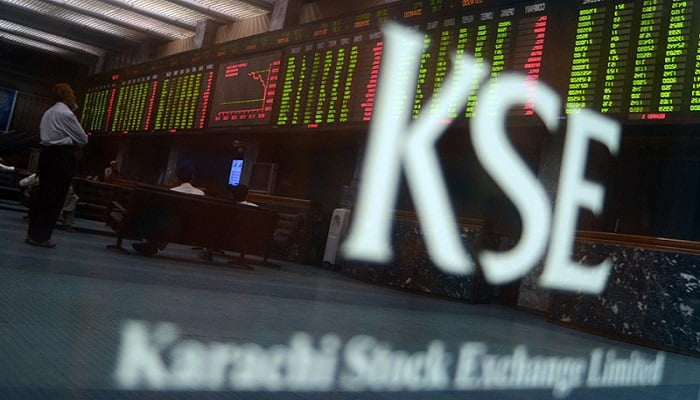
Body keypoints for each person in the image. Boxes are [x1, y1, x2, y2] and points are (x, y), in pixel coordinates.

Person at [26, 83, 88, 248]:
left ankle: (33, 234)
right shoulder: (66, 114)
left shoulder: (48, 112)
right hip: (62, 158)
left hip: (46, 156)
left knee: (43, 195)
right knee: (55, 199)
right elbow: (83, 139)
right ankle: (42, 237)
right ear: (67, 95)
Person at [131, 166, 205, 255]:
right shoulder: (201, 193)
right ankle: (156, 243)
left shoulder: (173, 191)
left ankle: (153, 243)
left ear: (177, 179)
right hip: (194, 227)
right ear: (192, 178)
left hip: (175, 227)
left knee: (159, 217)